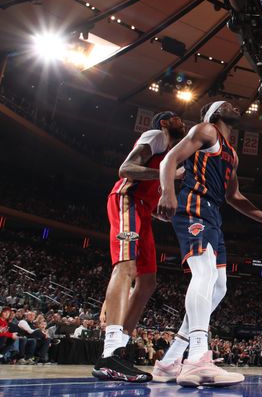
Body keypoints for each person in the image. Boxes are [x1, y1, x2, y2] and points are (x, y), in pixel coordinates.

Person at [155, 101, 262, 387]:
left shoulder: (231, 154)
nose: (236, 107)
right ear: (215, 113)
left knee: (219, 286)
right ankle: (197, 358)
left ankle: (171, 360)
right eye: (228, 104)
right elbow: (170, 159)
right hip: (194, 203)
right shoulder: (206, 131)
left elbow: (235, 197)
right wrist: (168, 192)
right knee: (203, 274)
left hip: (213, 213)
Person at [92, 110, 186, 382]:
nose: (182, 120)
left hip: (143, 210)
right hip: (126, 200)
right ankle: (109, 351)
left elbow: (151, 190)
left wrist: (159, 212)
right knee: (127, 267)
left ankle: (119, 349)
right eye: (176, 117)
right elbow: (126, 169)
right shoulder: (156, 135)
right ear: (165, 122)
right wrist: (167, 174)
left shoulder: (171, 152)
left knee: (148, 282)